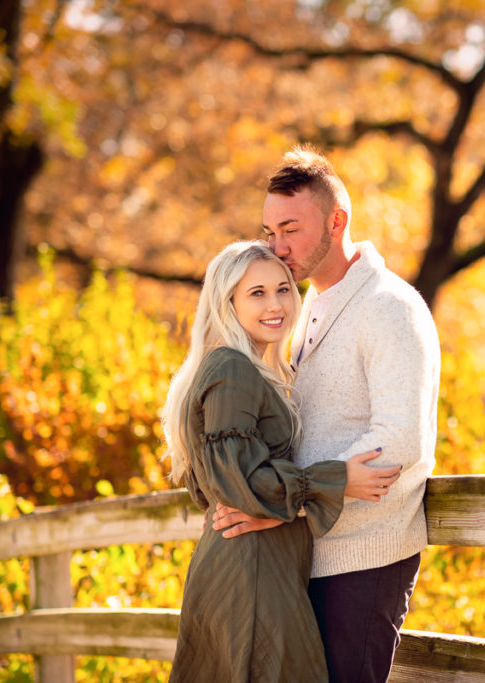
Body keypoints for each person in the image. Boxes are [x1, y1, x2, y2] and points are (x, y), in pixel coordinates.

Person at [212, 145, 442, 682]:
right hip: (308, 550)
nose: (277, 246)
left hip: (365, 558)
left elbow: (399, 440)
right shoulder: (307, 305)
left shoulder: (390, 308)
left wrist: (285, 504)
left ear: (337, 221)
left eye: (290, 229)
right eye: (269, 232)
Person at [160, 240, 402, 682]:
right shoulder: (232, 368)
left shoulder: (255, 369)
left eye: (283, 289)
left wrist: (277, 507)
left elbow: (217, 483)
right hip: (250, 574)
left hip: (258, 566)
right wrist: (335, 480)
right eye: (256, 293)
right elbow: (239, 484)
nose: (276, 305)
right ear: (226, 302)